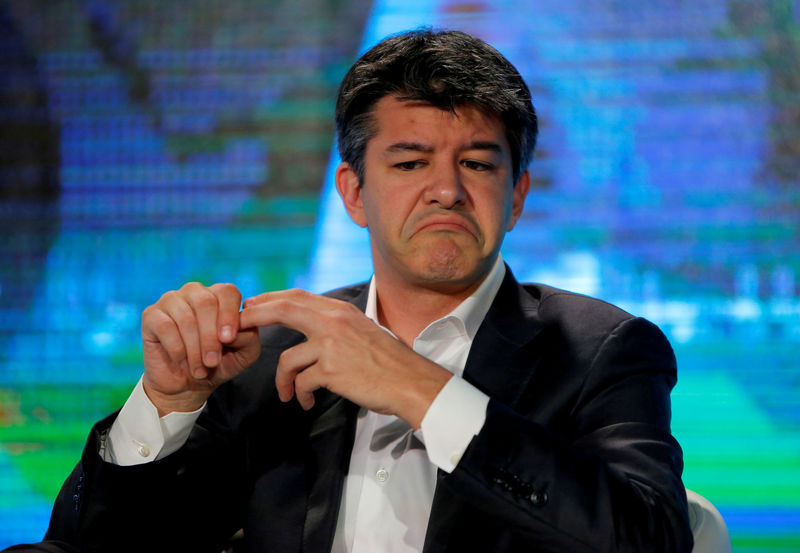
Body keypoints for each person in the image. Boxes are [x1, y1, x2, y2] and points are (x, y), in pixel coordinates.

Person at [33, 29, 692, 552]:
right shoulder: (268, 356)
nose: (446, 190)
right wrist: (167, 403)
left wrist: (416, 386)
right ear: (352, 192)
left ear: (516, 195)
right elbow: (92, 545)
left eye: (477, 164)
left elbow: (651, 538)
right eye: (410, 163)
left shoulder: (603, 350)